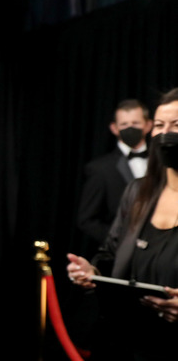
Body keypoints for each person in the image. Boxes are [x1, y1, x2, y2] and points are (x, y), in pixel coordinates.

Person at [67, 87, 178, 360]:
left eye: (176, 124)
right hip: (124, 339)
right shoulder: (138, 192)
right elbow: (110, 254)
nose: (166, 133)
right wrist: (90, 271)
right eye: (161, 125)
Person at [76, 99, 152, 254]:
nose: (130, 128)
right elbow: (87, 220)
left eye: (135, 123)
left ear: (148, 125)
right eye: (124, 124)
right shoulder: (100, 169)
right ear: (114, 128)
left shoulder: (163, 163)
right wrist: (119, 242)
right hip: (120, 255)